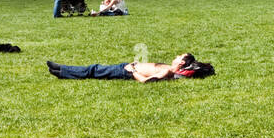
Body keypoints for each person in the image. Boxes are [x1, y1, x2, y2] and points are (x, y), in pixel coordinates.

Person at [46, 52, 213, 82]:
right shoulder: (170, 68)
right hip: (126, 68)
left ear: (182, 62)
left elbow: (147, 81)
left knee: (93, 70)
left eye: (179, 56)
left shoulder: (168, 71)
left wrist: (132, 70)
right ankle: (61, 71)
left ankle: (61, 71)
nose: (176, 56)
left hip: (125, 72)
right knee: (94, 70)